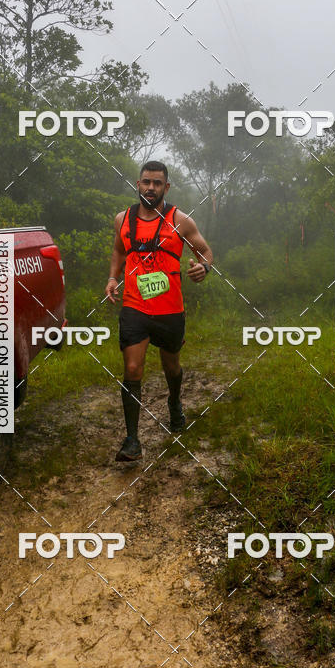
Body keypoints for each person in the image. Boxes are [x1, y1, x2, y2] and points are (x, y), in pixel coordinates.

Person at [105, 161, 213, 461]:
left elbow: (204, 250)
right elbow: (118, 250)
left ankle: (175, 403)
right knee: (132, 369)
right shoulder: (122, 219)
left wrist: (203, 267)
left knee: (171, 367)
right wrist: (113, 278)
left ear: (166, 187)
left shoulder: (181, 220)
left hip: (169, 310)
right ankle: (131, 441)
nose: (150, 187)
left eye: (157, 183)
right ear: (138, 185)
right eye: (145, 182)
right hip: (134, 306)